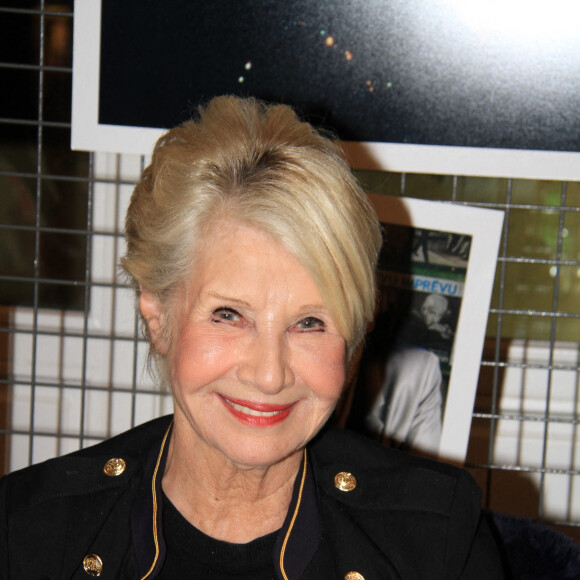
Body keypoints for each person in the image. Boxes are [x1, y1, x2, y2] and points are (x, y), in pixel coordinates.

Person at [0, 96, 506, 579]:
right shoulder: (29, 533)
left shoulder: (433, 537)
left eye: (310, 323)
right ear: (158, 316)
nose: (269, 375)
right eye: (228, 314)